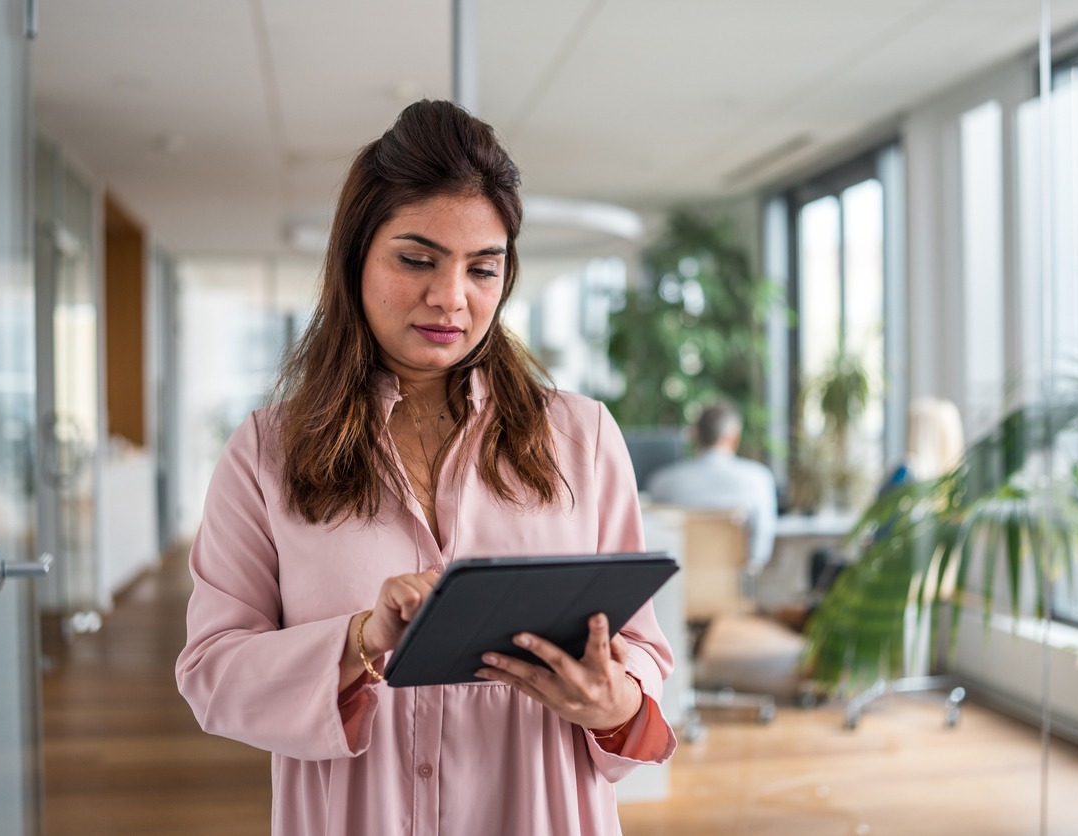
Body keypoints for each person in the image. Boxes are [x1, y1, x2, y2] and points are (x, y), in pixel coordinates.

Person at [175, 100, 675, 836]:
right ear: (356, 259)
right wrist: (359, 640)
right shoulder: (265, 453)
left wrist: (617, 703)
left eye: (483, 268)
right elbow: (211, 676)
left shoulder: (583, 437)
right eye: (416, 260)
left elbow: (643, 656)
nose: (452, 298)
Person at [647, 400, 778, 572]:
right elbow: (760, 552)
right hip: (731, 592)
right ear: (733, 437)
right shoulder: (758, 479)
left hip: (676, 588)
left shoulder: (661, 483)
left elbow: (653, 537)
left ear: (696, 436)